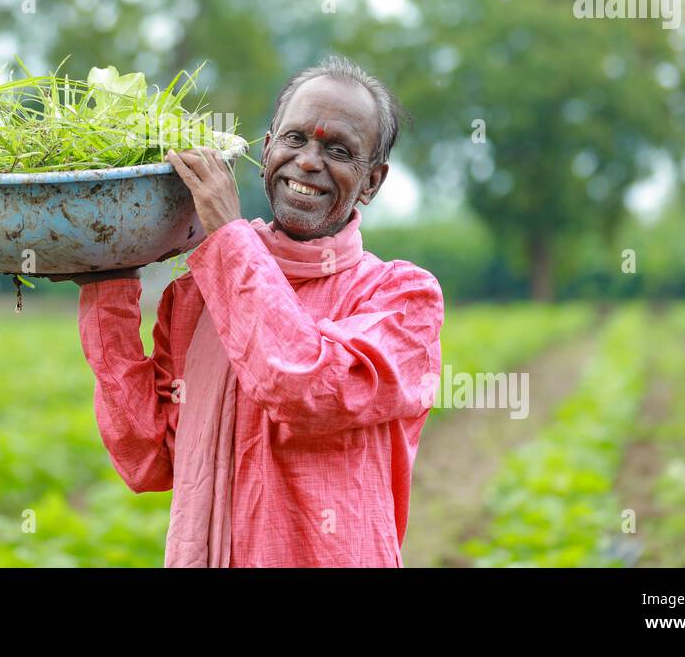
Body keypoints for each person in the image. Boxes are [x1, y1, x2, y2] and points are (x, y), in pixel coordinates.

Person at [56, 56, 443, 567]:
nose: (308, 161)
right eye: (295, 139)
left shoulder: (402, 298)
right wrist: (108, 283)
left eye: (339, 151)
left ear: (372, 182)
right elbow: (148, 460)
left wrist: (226, 237)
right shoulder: (197, 293)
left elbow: (302, 386)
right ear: (266, 151)